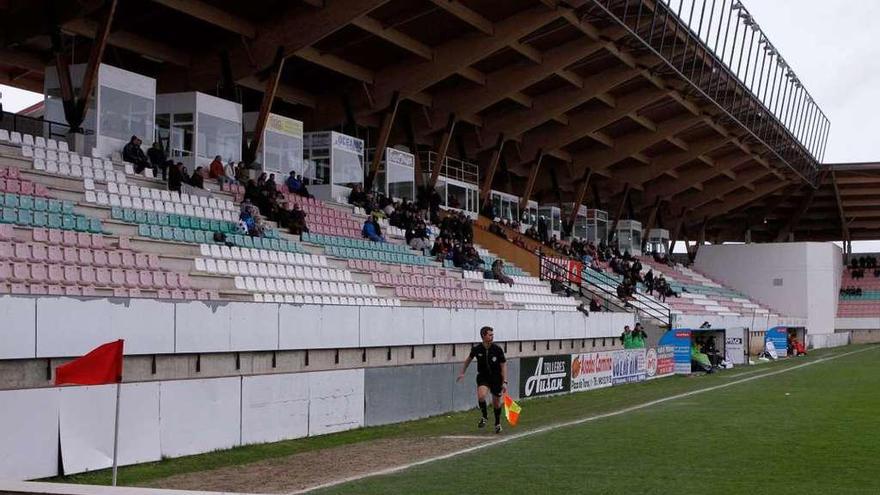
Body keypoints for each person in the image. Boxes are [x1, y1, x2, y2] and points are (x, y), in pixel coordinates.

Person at [457, 326, 508, 434]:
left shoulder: (497, 349)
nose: (492, 336)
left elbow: (503, 365)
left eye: (492, 334)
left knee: (496, 403)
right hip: (483, 376)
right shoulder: (477, 349)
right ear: (483, 336)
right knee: (481, 396)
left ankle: (497, 423)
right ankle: (484, 416)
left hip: (496, 377)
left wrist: (504, 382)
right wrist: (462, 372)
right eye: (490, 335)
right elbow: (468, 361)